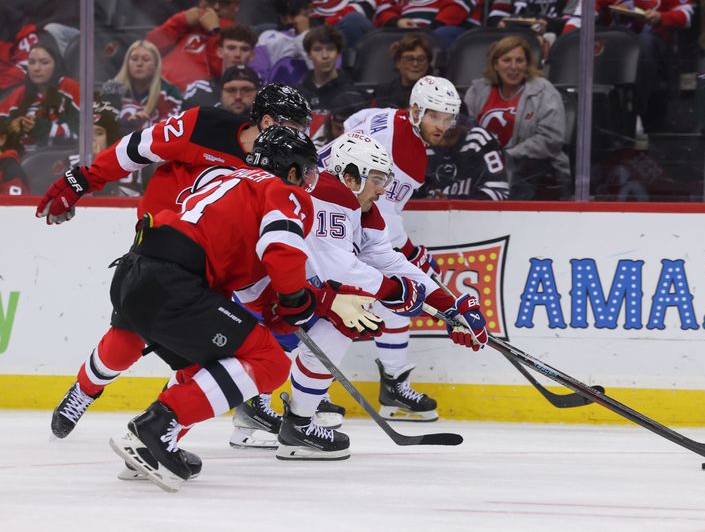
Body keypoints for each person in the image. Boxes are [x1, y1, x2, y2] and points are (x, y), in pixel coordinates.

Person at [41, 83, 312, 441]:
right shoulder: (206, 127)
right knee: (126, 339)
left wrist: (271, 305)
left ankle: (157, 434)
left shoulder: (276, 169)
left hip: (209, 269)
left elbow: (258, 257)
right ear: (266, 120)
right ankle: (87, 391)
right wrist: (85, 179)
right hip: (165, 248)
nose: (299, 139)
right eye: (293, 128)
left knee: (202, 359)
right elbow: (136, 149)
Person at [105, 125, 342, 492]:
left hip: (135, 276)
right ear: (292, 170)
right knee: (271, 362)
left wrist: (278, 311)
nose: (307, 182)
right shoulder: (280, 189)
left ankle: (145, 444)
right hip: (174, 283)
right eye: (306, 171)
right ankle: (153, 429)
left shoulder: (232, 181)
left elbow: (247, 285)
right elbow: (282, 248)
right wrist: (296, 299)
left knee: (209, 367)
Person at [236, 131, 488, 460]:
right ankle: (288, 422)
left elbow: (389, 260)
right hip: (251, 288)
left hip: (275, 288)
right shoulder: (330, 194)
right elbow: (340, 271)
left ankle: (283, 422)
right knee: (348, 310)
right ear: (351, 175)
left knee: (346, 312)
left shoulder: (360, 206)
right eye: (378, 179)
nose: (384, 189)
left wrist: (449, 307)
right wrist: (396, 291)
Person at [342, 75, 463, 421]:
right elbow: (385, 214)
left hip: (345, 215)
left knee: (399, 294)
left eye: (447, 117)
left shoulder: (388, 116)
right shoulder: (407, 152)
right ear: (416, 110)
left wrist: (409, 255)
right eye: (435, 116)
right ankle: (299, 399)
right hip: (332, 219)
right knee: (334, 309)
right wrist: (411, 253)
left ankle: (393, 385)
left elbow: (353, 123)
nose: (442, 126)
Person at [464, 35, 570, 200]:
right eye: (506, 60)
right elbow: (465, 131)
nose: (513, 67)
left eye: (519, 60)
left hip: (532, 171)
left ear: (527, 64)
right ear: (495, 64)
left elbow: (551, 139)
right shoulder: (478, 90)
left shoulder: (543, 91)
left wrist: (509, 156)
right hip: (484, 168)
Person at [563, 0, 695, 132]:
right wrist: (562, 43)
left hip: (656, 50)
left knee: (644, 43)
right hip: (615, 48)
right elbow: (578, 20)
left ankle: (637, 110)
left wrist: (662, 17)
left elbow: (688, 15)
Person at [145, 0, 241, 92]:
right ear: (201, 2)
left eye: (224, 2)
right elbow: (149, 48)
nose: (216, 7)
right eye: (210, 1)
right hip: (155, 87)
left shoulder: (238, 33)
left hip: (194, 97)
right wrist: (180, 21)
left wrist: (215, 31)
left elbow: (221, 68)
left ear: (236, 5)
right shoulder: (189, 23)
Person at [0, 42, 79, 153]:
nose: (36, 68)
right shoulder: (19, 93)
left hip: (57, 162)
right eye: (31, 62)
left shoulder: (70, 88)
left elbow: (85, 133)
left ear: (56, 65)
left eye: (44, 62)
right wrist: (11, 127)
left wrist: (47, 129)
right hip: (20, 161)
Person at [296, 25, 364, 147]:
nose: (325, 55)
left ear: (338, 53)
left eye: (330, 49)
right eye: (317, 49)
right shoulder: (296, 94)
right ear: (308, 54)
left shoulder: (354, 93)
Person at [418, 115, 509, 200]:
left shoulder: (479, 139)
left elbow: (498, 192)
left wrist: (454, 202)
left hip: (472, 215)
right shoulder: (423, 144)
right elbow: (409, 192)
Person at [103, 40, 182, 135]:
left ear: (155, 65)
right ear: (127, 63)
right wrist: (128, 124)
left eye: (146, 59)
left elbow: (175, 129)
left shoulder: (169, 93)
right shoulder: (112, 89)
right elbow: (104, 125)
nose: (139, 64)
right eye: (134, 58)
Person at [182, 23, 257, 110]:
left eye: (244, 49)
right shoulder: (198, 91)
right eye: (231, 48)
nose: (237, 54)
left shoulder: (261, 93)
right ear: (220, 52)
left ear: (252, 55)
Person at [373, 0, 483, 49]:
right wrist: (397, 21)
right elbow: (384, 10)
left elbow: (456, 9)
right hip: (407, 31)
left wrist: (426, 32)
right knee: (382, 38)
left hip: (448, 30)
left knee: (442, 34)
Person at [250, 0, 313, 85]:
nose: (309, 18)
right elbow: (258, 74)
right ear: (288, 17)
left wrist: (304, 35)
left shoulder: (318, 38)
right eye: (305, 15)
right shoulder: (267, 38)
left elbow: (321, 73)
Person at [372, 34, 434, 110]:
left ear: (428, 63)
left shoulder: (437, 92)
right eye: (409, 59)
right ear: (398, 62)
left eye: (421, 59)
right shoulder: (383, 92)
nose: (415, 64)